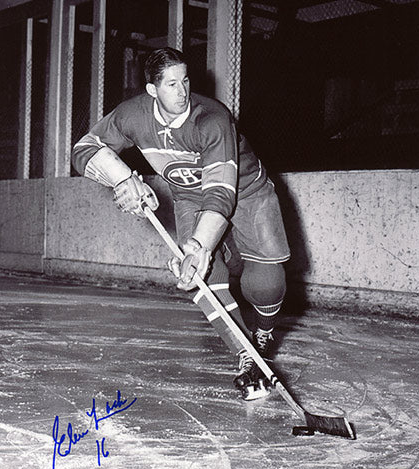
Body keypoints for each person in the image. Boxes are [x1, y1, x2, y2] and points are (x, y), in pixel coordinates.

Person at [72, 47, 290, 400]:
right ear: (152, 90)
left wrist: (202, 244)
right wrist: (122, 179)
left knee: (265, 285)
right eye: (171, 84)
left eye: (185, 81)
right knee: (199, 276)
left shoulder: (212, 118)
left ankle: (264, 332)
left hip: (248, 191)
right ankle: (246, 354)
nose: (182, 91)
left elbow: (220, 192)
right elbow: (84, 148)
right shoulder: (132, 115)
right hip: (190, 196)